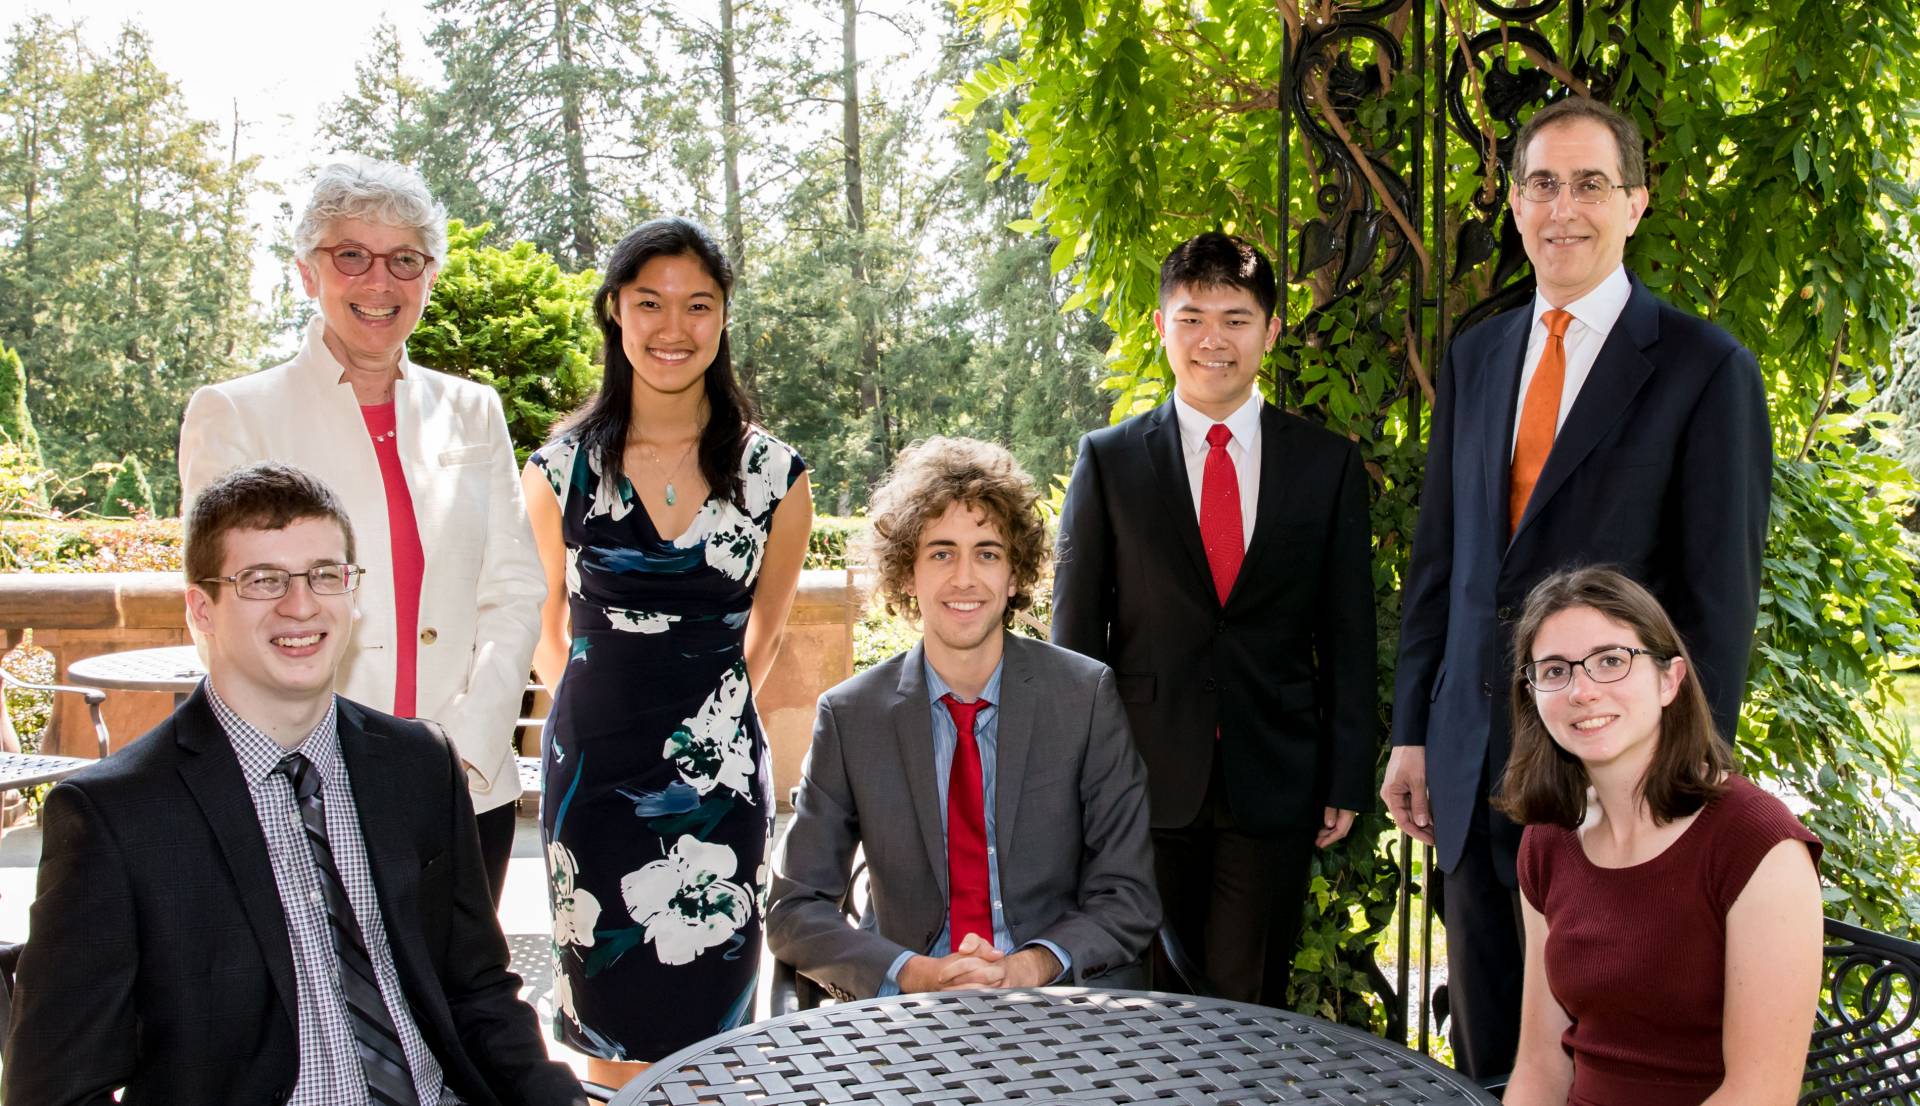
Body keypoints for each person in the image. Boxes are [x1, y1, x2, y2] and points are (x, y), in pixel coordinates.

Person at [1381, 95, 1773, 1077]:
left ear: (1635, 202)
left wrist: (1676, 793)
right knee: (1486, 1061)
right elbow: (1445, 564)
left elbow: (1715, 611)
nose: (1565, 207)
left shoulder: (1704, 368)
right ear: (1514, 205)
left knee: (1601, 1064)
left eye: (1591, 183)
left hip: (1613, 785)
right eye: (1543, 184)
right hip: (1473, 781)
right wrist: (1412, 730)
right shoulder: (1476, 357)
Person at [3, 463, 585, 1106]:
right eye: (262, 580)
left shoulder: (418, 764)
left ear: (352, 592)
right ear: (202, 609)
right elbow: (54, 1089)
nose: (301, 604)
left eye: (325, 575)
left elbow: (479, 991)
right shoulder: (115, 816)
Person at [179, 157, 545, 907]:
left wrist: (470, 752)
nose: (379, 282)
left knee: (457, 1014)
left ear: (429, 275)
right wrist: (306, 764)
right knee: (319, 1015)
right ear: (308, 273)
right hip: (300, 784)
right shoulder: (236, 414)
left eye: (404, 260)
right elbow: (229, 614)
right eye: (351, 256)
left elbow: (514, 591)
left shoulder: (474, 411)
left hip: (465, 788)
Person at [1050, 232, 1376, 1004]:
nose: (1213, 340)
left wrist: (1345, 772)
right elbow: (1075, 640)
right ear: (1162, 328)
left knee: (1246, 997)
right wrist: (1077, 782)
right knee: (1143, 1001)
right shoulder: (1110, 461)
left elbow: (1348, 633)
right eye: (1193, 317)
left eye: (1236, 318)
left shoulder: (1325, 465)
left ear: (1270, 331)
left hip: (1276, 778)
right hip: (1140, 780)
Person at [522, 216, 812, 1079]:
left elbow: (768, 625)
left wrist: (707, 711)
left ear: (723, 318)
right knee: (608, 1028)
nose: (672, 328)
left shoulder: (775, 476)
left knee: (714, 1041)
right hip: (593, 786)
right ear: (616, 311)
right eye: (649, 303)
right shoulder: (560, 470)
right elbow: (542, 630)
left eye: (698, 305)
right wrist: (598, 713)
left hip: (717, 787)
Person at [766, 437, 1159, 999]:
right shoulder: (852, 716)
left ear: (1015, 575)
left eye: (988, 553)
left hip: (1053, 1001)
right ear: (908, 573)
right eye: (941, 552)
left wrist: (1028, 968)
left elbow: (1129, 893)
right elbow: (794, 908)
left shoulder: (1084, 697)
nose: (965, 578)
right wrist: (909, 971)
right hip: (910, 1011)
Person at [1498, 566, 1821, 1106]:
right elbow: (1540, 1065)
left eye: (1610, 661)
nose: (1582, 691)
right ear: (1533, 695)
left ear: (1669, 680)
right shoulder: (1550, 840)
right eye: (1555, 670)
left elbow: (1759, 1094)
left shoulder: (1758, 846)